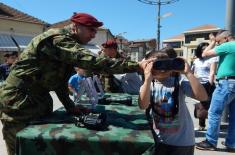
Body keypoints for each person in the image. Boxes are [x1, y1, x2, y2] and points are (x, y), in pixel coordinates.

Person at [0, 12, 150, 155]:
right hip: (19, 100)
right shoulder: (57, 39)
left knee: (39, 145)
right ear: (76, 27)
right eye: (91, 30)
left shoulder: (67, 43)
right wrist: (137, 66)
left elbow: (59, 82)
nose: (94, 34)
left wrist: (71, 107)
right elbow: (92, 62)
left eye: (95, 31)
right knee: (21, 146)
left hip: (37, 98)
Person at [139, 51, 208, 155]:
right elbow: (143, 105)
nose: (163, 69)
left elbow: (202, 97)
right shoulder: (148, 85)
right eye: (157, 64)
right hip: (159, 139)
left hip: (182, 142)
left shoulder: (179, 81)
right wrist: (147, 77)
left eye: (166, 64)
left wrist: (188, 73)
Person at [196, 30, 235, 152]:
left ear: (226, 38)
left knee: (214, 112)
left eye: (219, 41)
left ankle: (210, 142)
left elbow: (204, 54)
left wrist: (212, 41)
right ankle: (232, 144)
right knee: (234, 116)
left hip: (226, 83)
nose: (218, 45)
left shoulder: (228, 45)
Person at [192, 42, 217, 131]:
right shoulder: (196, 60)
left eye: (207, 48)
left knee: (209, 106)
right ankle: (201, 126)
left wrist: (209, 85)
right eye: (203, 49)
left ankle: (211, 127)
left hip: (208, 84)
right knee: (199, 105)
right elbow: (194, 72)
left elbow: (212, 73)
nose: (205, 50)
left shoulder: (212, 58)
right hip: (198, 84)